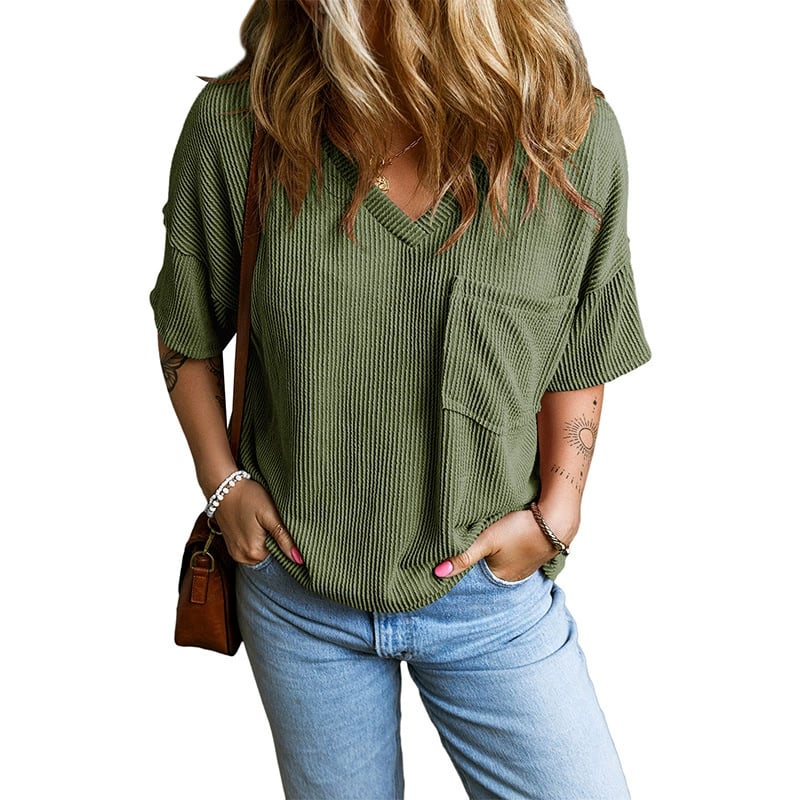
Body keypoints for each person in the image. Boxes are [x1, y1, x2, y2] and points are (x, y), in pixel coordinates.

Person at [151, 1, 651, 797]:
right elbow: (187, 328)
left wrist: (559, 512)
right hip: (300, 595)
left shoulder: (569, 136)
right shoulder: (241, 128)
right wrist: (222, 482)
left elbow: (580, 345)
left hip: (490, 598)